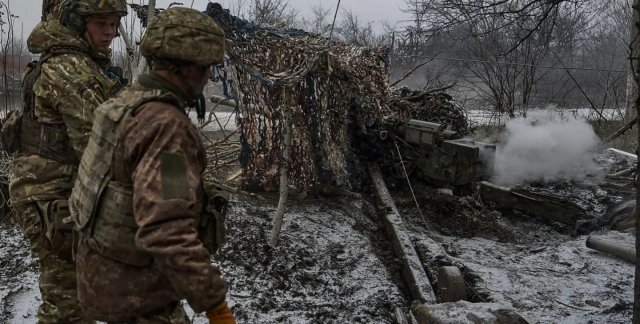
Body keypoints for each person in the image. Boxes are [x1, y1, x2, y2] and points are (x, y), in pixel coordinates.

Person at [69, 7, 236, 324]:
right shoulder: (165, 127)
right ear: (185, 67)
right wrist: (217, 307)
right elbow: (166, 230)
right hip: (138, 298)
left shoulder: (126, 101)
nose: (210, 77)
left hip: (103, 280)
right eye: (206, 68)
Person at [6, 0, 127, 323]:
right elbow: (101, 150)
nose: (111, 32)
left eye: (115, 23)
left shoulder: (69, 62)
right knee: (70, 306)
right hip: (52, 198)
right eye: (101, 22)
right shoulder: (73, 70)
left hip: (51, 192)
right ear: (75, 21)